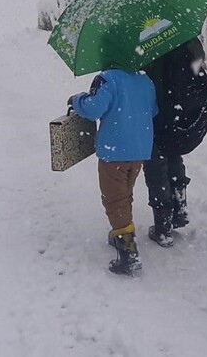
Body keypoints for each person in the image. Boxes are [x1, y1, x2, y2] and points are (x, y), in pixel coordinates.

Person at [69, 66, 157, 276]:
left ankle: (129, 253)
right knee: (125, 193)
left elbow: (93, 109)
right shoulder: (145, 80)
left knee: (114, 199)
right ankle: (121, 231)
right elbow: (153, 110)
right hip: (139, 148)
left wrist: (77, 100)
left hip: (115, 150)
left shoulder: (108, 79)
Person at [142, 37, 207, 247]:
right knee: (174, 153)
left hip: (158, 110)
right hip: (181, 110)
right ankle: (179, 209)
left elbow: (145, 79)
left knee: (155, 164)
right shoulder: (182, 34)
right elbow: (198, 60)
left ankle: (163, 227)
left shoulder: (145, 41)